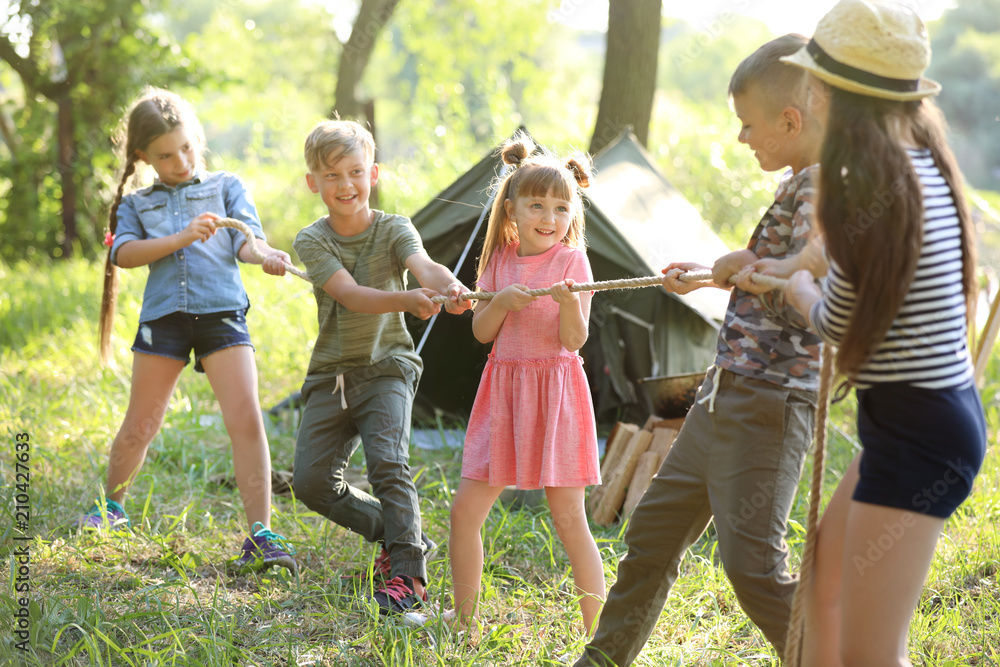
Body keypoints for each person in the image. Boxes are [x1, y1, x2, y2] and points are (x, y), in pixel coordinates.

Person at [574, 33, 825, 666]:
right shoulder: (800, 182)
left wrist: (751, 270)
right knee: (653, 532)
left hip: (771, 404)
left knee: (755, 570)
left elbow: (809, 289)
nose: (743, 139)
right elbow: (773, 268)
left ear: (791, 121)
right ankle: (602, 660)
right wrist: (719, 272)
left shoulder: (822, 188)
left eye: (748, 125)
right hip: (725, 394)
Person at [779, 2, 987, 665]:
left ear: (825, 93)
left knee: (874, 652)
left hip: (918, 434)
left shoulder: (864, 187)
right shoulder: (921, 163)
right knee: (824, 574)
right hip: (924, 418)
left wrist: (797, 288)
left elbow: (833, 322)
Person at [83, 87, 296, 576]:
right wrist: (180, 237)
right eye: (164, 155)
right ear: (143, 157)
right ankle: (111, 507)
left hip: (222, 313)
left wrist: (264, 256)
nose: (179, 160)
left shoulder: (226, 185)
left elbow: (247, 242)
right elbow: (125, 255)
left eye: (186, 147)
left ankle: (260, 531)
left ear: (196, 138)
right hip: (165, 320)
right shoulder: (137, 204)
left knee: (246, 419)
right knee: (142, 422)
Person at [290, 119, 472, 616]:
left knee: (389, 463)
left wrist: (448, 286)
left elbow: (425, 267)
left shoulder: (395, 227)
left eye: (353, 173)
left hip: (388, 366)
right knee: (309, 482)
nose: (345, 185)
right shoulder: (312, 240)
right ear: (313, 183)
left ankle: (409, 576)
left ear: (373, 173)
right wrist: (408, 300)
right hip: (331, 375)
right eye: (331, 176)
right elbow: (349, 295)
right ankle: (400, 537)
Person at [440, 133, 605, 635]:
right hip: (506, 390)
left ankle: (599, 627)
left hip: (557, 393)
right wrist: (501, 303)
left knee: (569, 519)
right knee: (464, 513)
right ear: (511, 208)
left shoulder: (573, 262)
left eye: (560, 207)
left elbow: (574, 341)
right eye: (536, 205)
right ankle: (463, 618)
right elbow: (480, 331)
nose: (549, 218)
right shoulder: (500, 260)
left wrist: (569, 302)